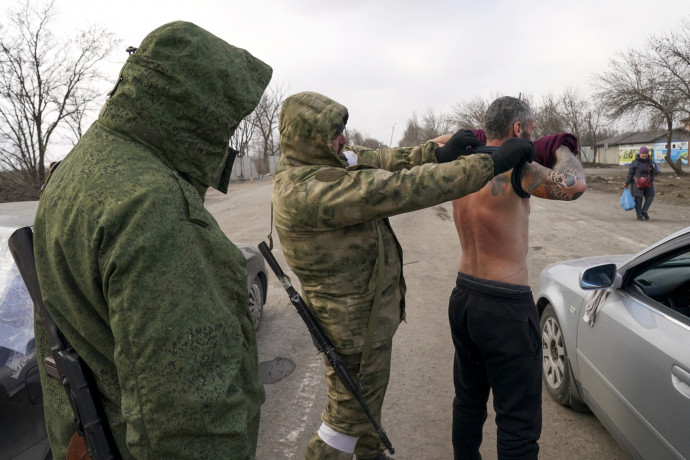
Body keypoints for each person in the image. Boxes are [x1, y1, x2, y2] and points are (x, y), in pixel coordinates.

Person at [32, 21, 272, 458]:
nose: (226, 136)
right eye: (223, 121)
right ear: (193, 111)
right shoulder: (153, 207)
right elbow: (187, 426)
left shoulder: (77, 169)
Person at [272, 91, 537, 460]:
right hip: (351, 331)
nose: (345, 139)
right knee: (344, 424)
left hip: (366, 322)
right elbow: (400, 189)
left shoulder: (324, 160)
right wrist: (489, 166)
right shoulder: (308, 189)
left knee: (366, 410)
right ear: (309, 137)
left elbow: (377, 158)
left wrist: (434, 153)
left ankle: (371, 454)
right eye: (335, 132)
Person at [448, 96, 587, 459]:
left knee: (468, 401)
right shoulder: (518, 170)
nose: (535, 135)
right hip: (505, 305)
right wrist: (563, 146)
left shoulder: (460, 164)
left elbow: (436, 144)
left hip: (464, 296)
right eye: (532, 128)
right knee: (517, 423)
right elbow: (575, 184)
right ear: (518, 129)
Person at [624, 146, 659, 220]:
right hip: (637, 184)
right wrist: (627, 183)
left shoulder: (651, 162)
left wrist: (656, 171)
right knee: (638, 199)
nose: (644, 154)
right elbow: (630, 174)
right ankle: (639, 215)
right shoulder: (635, 163)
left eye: (646, 153)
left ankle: (644, 211)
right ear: (639, 153)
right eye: (642, 153)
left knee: (650, 197)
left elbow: (657, 172)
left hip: (648, 183)